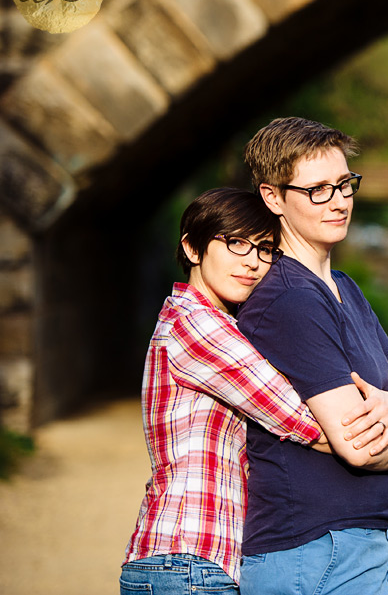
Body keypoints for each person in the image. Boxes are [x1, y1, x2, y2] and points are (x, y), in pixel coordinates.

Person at [237, 117, 388, 595]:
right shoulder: (289, 298)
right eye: (319, 189)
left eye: (345, 184)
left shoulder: (345, 288)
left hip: (354, 549)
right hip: (314, 554)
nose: (340, 201)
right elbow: (360, 449)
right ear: (273, 197)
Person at [121, 188, 330, 594]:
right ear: (192, 247)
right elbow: (298, 417)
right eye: (236, 242)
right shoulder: (196, 324)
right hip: (188, 563)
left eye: (265, 248)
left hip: (189, 565)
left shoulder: (212, 323)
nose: (252, 261)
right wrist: (384, 435)